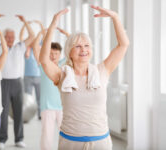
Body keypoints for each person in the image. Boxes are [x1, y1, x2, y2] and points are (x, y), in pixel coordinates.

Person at [39, 5, 129, 150]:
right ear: (70, 52)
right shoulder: (61, 75)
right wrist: (52, 26)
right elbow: (44, 59)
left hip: (101, 142)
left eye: (87, 46)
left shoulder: (102, 70)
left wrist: (115, 17)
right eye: (78, 46)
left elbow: (123, 44)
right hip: (70, 142)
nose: (84, 50)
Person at [0, 14, 35, 148]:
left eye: (12, 37)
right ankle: (2, 139)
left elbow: (32, 37)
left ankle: (19, 139)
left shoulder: (20, 47)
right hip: (3, 83)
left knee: (19, 112)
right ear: (4, 37)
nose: (10, 39)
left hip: (17, 82)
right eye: (8, 37)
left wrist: (25, 22)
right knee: (3, 112)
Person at [32, 27, 68, 150]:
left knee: (66, 135)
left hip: (63, 107)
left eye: (56, 54)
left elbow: (72, 49)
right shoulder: (44, 66)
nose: (53, 56)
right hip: (47, 107)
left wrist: (67, 34)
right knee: (47, 135)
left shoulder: (63, 65)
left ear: (60, 54)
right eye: (51, 54)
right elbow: (35, 48)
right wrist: (40, 34)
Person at [20, 20, 44, 120]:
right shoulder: (26, 49)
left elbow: (45, 35)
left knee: (39, 97)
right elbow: (21, 38)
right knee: (27, 98)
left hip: (39, 76)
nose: (34, 41)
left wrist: (40, 25)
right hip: (27, 77)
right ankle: (27, 115)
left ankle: (40, 114)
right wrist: (25, 25)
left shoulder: (39, 48)